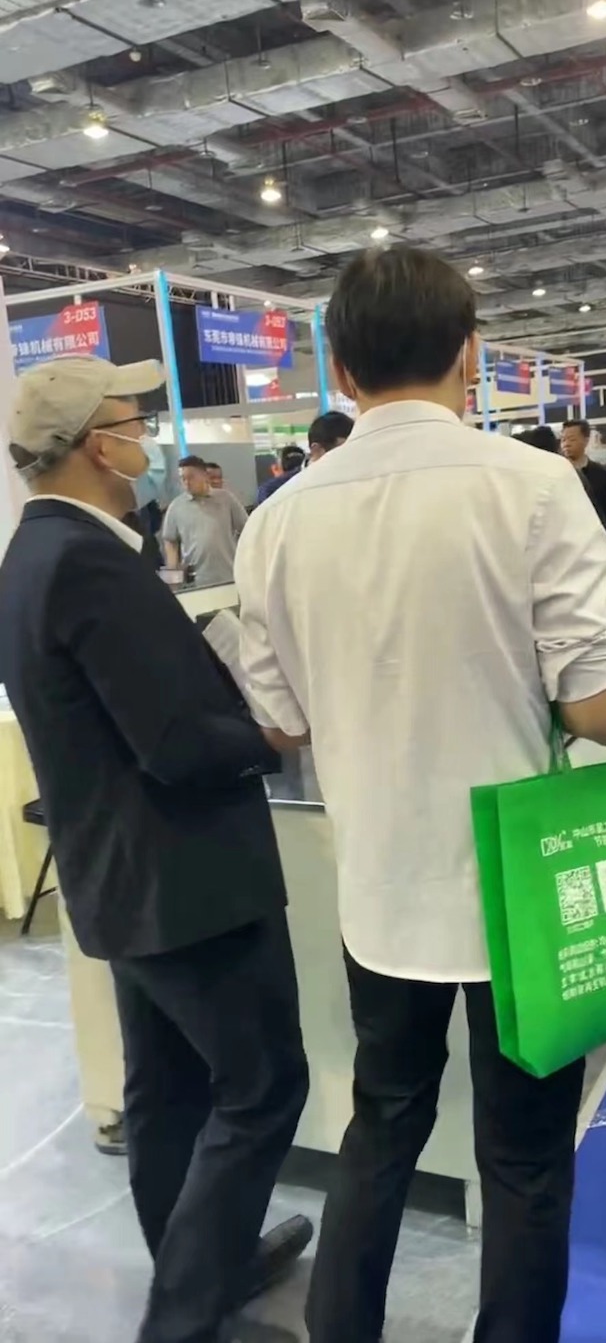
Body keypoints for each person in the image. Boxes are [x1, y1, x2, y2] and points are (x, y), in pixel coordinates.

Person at [235, 245, 606, 1343]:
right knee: (525, 1155)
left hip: (381, 885)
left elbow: (283, 724)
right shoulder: (532, 484)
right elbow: (603, 712)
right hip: (522, 889)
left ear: (338, 368)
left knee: (381, 1128)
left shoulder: (277, 520)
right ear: (470, 354)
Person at [0, 356, 311, 1343]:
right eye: (133, 422)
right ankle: (181, 1315)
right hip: (187, 881)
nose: (147, 437)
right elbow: (174, 744)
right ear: (97, 445)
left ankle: (207, 1267)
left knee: (167, 1090)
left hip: (121, 878)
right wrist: (271, 733)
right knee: (262, 1088)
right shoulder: (88, 562)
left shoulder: (32, 554)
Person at [163, 454, 249, 585]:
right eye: (183, 478)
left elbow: (247, 529)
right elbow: (170, 542)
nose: (187, 483)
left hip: (228, 576)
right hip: (195, 581)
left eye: (191, 477)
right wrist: (172, 582)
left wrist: (245, 563)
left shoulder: (226, 499)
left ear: (204, 476)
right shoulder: (176, 507)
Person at [257, 414, 354, 504]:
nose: (350, 458)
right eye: (343, 452)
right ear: (317, 450)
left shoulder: (355, 483)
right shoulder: (273, 492)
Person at [560, 418, 606, 532]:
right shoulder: (557, 472)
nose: (566, 444)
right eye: (563, 440)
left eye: (572, 439)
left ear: (586, 440)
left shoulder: (600, 473)